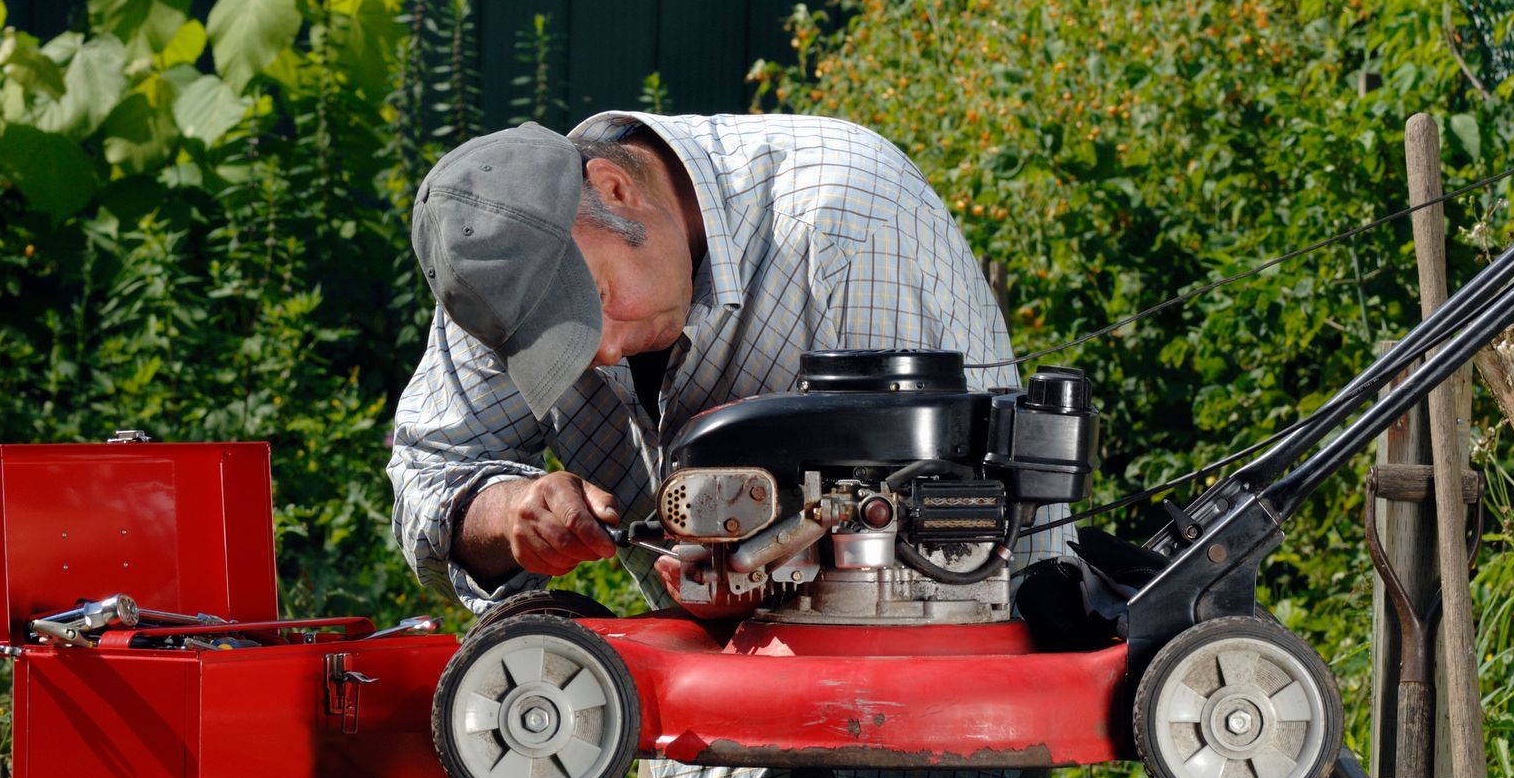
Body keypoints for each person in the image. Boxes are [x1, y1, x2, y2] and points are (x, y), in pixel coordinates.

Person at [387, 111, 1068, 617]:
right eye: (550, 345)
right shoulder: (499, 273)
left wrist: (766, 564)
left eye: (593, 301)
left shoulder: (845, 227)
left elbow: (964, 547)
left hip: (927, 732)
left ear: (617, 190)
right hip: (704, 740)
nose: (601, 353)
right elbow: (429, 471)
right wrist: (507, 512)